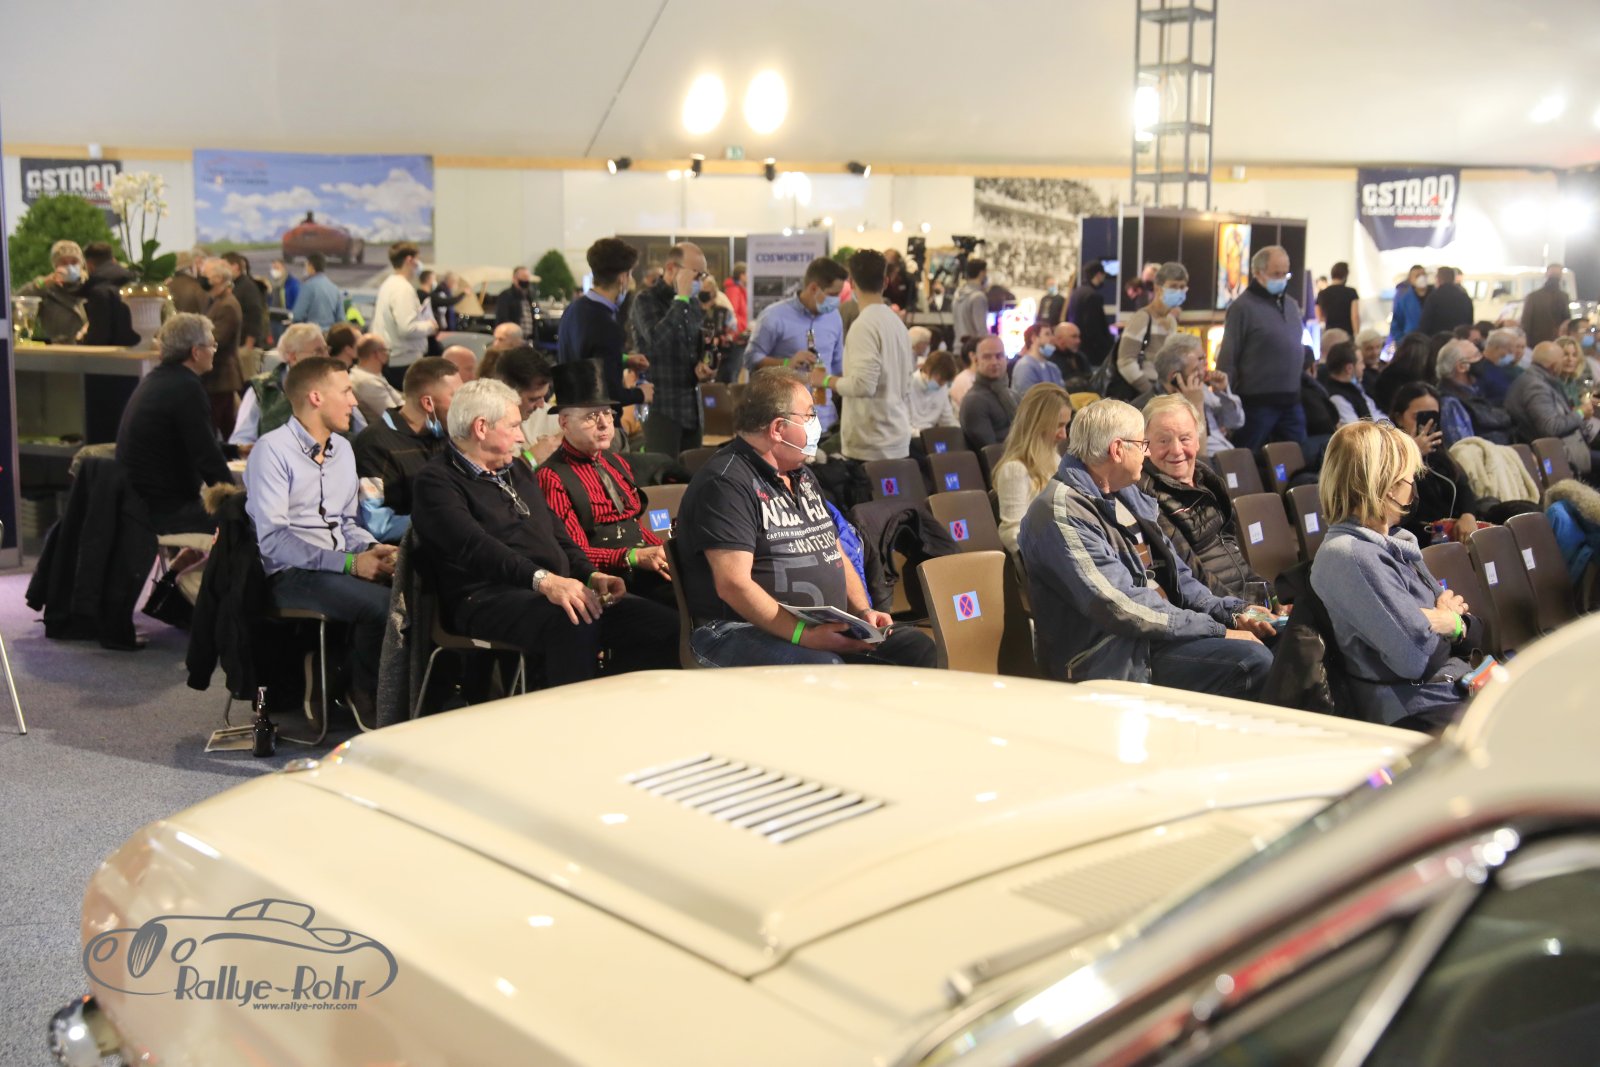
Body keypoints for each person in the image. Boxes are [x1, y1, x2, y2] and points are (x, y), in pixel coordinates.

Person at [409, 378, 677, 688]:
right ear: (481, 428)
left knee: (663, 625)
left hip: (548, 590)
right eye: (513, 426)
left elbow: (557, 534)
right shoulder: (436, 481)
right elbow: (475, 548)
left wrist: (590, 575)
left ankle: (618, 703)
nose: (521, 436)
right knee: (573, 620)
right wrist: (544, 581)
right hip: (485, 596)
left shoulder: (516, 469)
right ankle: (570, 714)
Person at [676, 371, 937, 669]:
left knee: (916, 648)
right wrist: (803, 634)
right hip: (734, 630)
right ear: (778, 428)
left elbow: (834, 552)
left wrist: (863, 613)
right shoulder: (726, 483)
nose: (817, 424)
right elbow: (733, 584)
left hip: (814, 627)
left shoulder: (802, 475)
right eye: (810, 415)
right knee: (824, 667)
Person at [1018, 398, 1276, 693]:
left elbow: (1182, 581)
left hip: (1156, 637)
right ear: (1117, 450)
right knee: (1251, 660)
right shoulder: (1060, 512)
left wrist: (1235, 613)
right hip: (1112, 656)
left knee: (1279, 637)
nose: (1148, 452)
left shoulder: (1128, 494)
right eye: (1142, 444)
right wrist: (1217, 630)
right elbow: (1120, 606)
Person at [245, 356, 397, 721]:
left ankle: (336, 672)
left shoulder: (342, 449)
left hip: (336, 566)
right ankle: (361, 690)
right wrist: (350, 563)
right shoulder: (272, 450)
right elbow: (274, 541)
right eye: (346, 391)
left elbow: (345, 523)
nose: (354, 402)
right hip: (289, 573)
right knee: (382, 607)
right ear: (316, 397)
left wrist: (371, 548)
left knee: (416, 589)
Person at [1310, 420, 1485, 730]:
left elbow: (1472, 629)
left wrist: (1448, 622)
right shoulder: (1351, 555)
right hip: (1417, 709)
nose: (1413, 491)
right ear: (1386, 486)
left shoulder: (1396, 541)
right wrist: (1446, 622)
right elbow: (1415, 658)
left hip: (1451, 688)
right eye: (1409, 480)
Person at [534, 360, 672, 604]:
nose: (604, 423)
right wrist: (632, 556)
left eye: (608, 413)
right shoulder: (551, 476)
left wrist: (668, 551)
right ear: (564, 422)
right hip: (605, 580)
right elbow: (573, 554)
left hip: (640, 566)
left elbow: (635, 528)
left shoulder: (616, 462)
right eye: (591, 416)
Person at [114, 313, 231, 534]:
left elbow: (189, 443)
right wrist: (235, 500)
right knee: (257, 518)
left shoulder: (157, 380)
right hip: (165, 513)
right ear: (196, 352)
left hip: (136, 507)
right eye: (212, 345)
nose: (214, 351)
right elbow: (208, 459)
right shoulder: (187, 388)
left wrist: (235, 450)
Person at [1138, 394, 1261, 600]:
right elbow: (1189, 574)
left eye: (1184, 438)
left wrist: (1267, 594)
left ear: (1197, 440)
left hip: (1244, 600)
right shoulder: (1148, 496)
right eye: (1163, 441)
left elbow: (1231, 549)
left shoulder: (1208, 479)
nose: (1176, 450)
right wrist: (1245, 607)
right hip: (1216, 607)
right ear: (1145, 445)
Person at [805, 249, 914, 461]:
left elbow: (863, 385)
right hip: (896, 436)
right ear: (885, 281)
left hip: (871, 442)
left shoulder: (863, 326)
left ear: (852, 283)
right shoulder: (897, 323)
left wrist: (825, 380)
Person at [353, 356, 460, 543]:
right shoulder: (374, 445)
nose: (463, 406)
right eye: (456, 397)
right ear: (428, 403)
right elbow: (377, 524)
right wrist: (446, 520)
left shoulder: (447, 434)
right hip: (409, 551)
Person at [1216, 245, 1308, 449]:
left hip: (1291, 399)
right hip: (1256, 403)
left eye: (1285, 274)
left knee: (1296, 456)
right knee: (1247, 455)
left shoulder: (1291, 305)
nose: (1282, 279)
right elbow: (1228, 357)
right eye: (1276, 274)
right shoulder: (1241, 308)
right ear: (1258, 273)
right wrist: (1224, 404)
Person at [632, 242, 717, 455]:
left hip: (692, 407)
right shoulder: (645, 300)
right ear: (671, 268)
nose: (700, 282)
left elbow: (696, 349)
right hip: (661, 407)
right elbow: (655, 343)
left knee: (691, 470)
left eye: (703, 276)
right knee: (663, 471)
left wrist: (705, 367)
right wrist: (681, 299)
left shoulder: (693, 304)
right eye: (697, 274)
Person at [232, 323, 367, 451]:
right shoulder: (263, 390)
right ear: (293, 357)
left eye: (326, 350)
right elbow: (242, 440)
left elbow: (362, 434)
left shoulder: (338, 386)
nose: (326, 357)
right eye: (318, 351)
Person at [557, 238, 652, 419]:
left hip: (573, 418)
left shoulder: (573, 309)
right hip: (600, 425)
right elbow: (610, 394)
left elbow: (584, 361)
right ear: (622, 278)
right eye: (630, 274)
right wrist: (641, 393)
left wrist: (623, 360)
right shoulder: (606, 325)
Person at [1385, 382, 1486, 546]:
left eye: (1433, 416)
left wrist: (1468, 515)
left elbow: (1462, 486)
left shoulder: (1438, 452)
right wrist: (1413, 454)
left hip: (1452, 532)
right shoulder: (1388, 454)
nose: (1427, 424)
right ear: (1399, 418)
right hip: (1416, 536)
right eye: (1418, 417)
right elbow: (1393, 500)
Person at [992, 384, 1073, 553]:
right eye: (1058, 425)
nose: (1064, 435)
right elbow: (1012, 533)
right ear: (1038, 423)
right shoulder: (1015, 470)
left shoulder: (1055, 458)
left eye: (1066, 426)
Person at [1139, 332, 1244, 455]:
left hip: (1228, 455)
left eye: (1204, 358)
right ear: (1175, 377)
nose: (1205, 366)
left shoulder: (1199, 388)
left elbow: (1236, 422)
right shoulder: (1155, 410)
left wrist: (1223, 392)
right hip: (1209, 463)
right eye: (1199, 361)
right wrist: (1196, 406)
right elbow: (1198, 456)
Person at [1506, 340, 1598, 479]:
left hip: (1568, 448)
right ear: (1554, 365)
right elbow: (1550, 427)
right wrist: (1580, 413)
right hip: (1557, 454)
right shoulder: (1536, 387)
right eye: (1562, 358)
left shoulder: (1541, 380)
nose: (1567, 361)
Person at [1112, 262, 1188, 397]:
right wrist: (1151, 392)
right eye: (1173, 286)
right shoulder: (1142, 317)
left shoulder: (1171, 321)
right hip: (1142, 395)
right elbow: (1125, 361)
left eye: (1182, 287)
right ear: (1158, 288)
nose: (1178, 291)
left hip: (1163, 391)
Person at [373, 241, 438, 390]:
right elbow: (407, 328)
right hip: (404, 362)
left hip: (394, 359)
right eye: (418, 259)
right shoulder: (403, 289)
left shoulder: (389, 284)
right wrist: (430, 326)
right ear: (409, 260)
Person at [489, 345, 561, 467]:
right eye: (533, 399)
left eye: (543, 396)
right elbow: (495, 476)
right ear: (506, 391)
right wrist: (531, 458)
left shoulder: (550, 416)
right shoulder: (485, 428)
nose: (541, 405)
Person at [1435, 339, 1512, 446]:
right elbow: (1464, 447)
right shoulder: (1450, 402)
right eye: (1476, 355)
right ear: (1462, 367)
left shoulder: (1472, 390)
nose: (1482, 358)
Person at [200, 257, 244, 437]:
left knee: (217, 426)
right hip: (217, 377)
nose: (203, 278)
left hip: (221, 375)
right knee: (227, 426)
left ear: (218, 279)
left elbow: (217, 339)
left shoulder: (227, 305)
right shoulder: (217, 301)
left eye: (206, 275)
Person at [19, 238, 87, 343]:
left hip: (89, 349)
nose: (70, 267)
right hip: (57, 349)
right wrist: (41, 284)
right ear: (55, 266)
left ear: (81, 264)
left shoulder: (90, 287)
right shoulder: (47, 291)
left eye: (74, 262)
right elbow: (18, 304)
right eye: (64, 263)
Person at [960, 336, 1017, 448]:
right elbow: (990, 450)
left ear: (1006, 359)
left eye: (999, 356)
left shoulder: (1013, 396)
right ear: (976, 361)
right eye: (987, 357)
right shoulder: (974, 401)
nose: (994, 362)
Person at [79, 241, 138, 346]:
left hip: (113, 354)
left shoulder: (99, 292)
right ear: (114, 260)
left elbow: (99, 337)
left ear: (89, 266)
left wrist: (83, 340)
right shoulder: (136, 283)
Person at [1321, 341, 1385, 425]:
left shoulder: (1354, 387)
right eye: (1361, 362)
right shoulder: (1338, 399)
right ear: (1349, 368)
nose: (1364, 367)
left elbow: (1374, 411)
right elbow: (1355, 430)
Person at [1067, 260, 1114, 366]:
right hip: (1093, 353)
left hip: (1080, 350)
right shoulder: (1093, 296)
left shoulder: (1076, 293)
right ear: (1098, 275)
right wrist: (1107, 347)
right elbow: (1094, 328)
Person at [349, 333, 401, 425]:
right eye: (385, 350)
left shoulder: (368, 374)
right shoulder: (366, 382)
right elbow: (394, 416)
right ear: (377, 354)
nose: (388, 353)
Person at [221, 252, 267, 350]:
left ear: (235, 267)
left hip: (245, 346)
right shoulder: (234, 285)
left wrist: (248, 345)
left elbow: (255, 315)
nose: (221, 270)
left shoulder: (247, 287)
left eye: (224, 266)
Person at [908, 350, 959, 432]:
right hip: (910, 435)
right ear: (928, 370)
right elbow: (902, 424)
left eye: (945, 381)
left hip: (930, 434)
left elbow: (947, 419)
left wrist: (958, 431)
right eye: (940, 380)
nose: (941, 385)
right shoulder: (907, 385)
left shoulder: (942, 388)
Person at [1417, 265, 1474, 336]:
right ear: (1453, 279)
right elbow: (1470, 323)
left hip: (1438, 338)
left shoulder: (1434, 297)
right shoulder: (1465, 297)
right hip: (1459, 338)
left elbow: (1425, 323)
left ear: (1438, 279)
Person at [1521, 263, 1569, 346]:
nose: (1555, 277)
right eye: (1554, 274)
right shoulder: (1534, 297)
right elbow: (1526, 323)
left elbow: (1566, 321)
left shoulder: (1563, 296)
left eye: (1557, 274)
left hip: (1555, 342)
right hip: (1537, 342)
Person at [290, 253, 341, 330]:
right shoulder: (334, 288)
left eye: (306, 266)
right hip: (329, 333)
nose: (306, 269)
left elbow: (298, 315)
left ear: (311, 266)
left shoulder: (307, 287)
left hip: (312, 333)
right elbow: (340, 318)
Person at [1011, 323, 1065, 395]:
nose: (1052, 338)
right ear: (1034, 338)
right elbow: (1030, 399)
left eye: (1052, 334)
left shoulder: (1053, 367)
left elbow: (1063, 395)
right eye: (1047, 334)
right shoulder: (1024, 366)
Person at [493, 265, 539, 339]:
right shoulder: (506, 296)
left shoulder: (530, 297)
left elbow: (533, 317)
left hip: (528, 338)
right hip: (513, 338)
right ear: (514, 279)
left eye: (527, 278)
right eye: (523, 277)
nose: (525, 280)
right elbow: (503, 318)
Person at [952, 258, 990, 348]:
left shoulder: (957, 295)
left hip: (958, 347)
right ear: (982, 273)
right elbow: (981, 330)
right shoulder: (978, 297)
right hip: (973, 349)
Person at [1315, 261, 1360, 335]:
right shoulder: (1351, 292)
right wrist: (1356, 334)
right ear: (1345, 275)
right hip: (1347, 334)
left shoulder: (1321, 294)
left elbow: (1319, 317)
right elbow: (1355, 316)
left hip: (1329, 334)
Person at [1389, 265, 1428, 345]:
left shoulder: (1434, 297)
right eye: (1417, 276)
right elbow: (1396, 325)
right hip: (1412, 344)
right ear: (1410, 280)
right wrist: (1403, 342)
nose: (1421, 278)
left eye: (1423, 275)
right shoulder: (1404, 300)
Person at [266, 258, 299, 322]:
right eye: (273, 268)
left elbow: (297, 301)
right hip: (273, 316)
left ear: (283, 268)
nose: (274, 270)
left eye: (277, 267)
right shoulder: (270, 283)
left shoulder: (292, 283)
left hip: (286, 317)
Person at [1355, 326, 1385, 395]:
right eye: (1369, 349)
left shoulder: (1385, 365)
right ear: (1359, 350)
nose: (1375, 353)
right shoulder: (1360, 374)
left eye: (1378, 347)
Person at [723, 261, 749, 333]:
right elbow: (732, 314)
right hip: (737, 333)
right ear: (742, 275)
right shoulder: (734, 290)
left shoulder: (740, 289)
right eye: (748, 273)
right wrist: (744, 326)